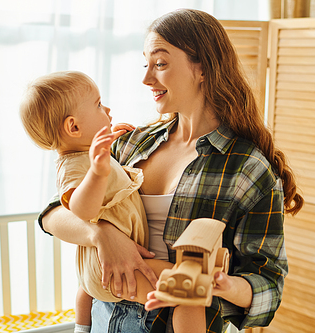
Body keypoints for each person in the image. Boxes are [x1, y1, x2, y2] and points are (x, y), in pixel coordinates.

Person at [39, 8, 303, 333]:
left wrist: (221, 284)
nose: (147, 78)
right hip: (105, 319)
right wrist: (102, 234)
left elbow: (268, 283)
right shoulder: (132, 144)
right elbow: (55, 212)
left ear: (203, 68)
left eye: (160, 64)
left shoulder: (247, 168)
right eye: (145, 64)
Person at [19, 71, 205, 333]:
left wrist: (107, 150)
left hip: (103, 265)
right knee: (191, 291)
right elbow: (82, 210)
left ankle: (82, 328)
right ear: (74, 127)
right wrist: (97, 171)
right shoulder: (75, 166)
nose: (106, 109)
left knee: (86, 289)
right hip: (112, 266)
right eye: (98, 104)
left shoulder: (89, 154)